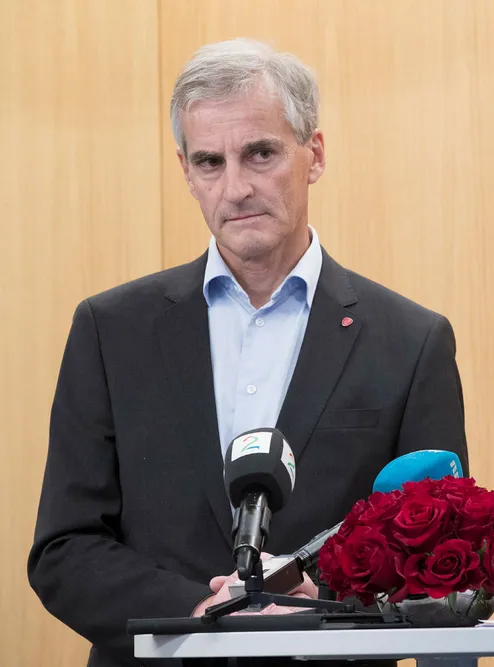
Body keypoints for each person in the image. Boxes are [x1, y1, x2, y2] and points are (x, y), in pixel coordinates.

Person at [27, 38, 469, 667]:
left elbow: (440, 567)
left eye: (260, 153)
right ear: (186, 172)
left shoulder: (411, 342)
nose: (235, 188)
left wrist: (330, 607)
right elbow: (65, 549)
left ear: (314, 155)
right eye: (210, 162)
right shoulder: (110, 331)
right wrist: (198, 611)